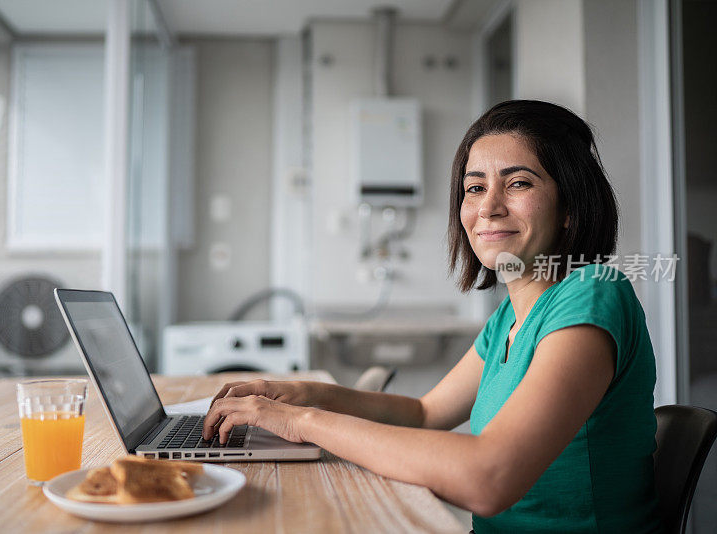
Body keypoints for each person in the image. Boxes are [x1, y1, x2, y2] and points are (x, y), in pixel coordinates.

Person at [202, 100, 661, 533]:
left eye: (518, 183)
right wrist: (301, 394)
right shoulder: (510, 317)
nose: (488, 207)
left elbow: (489, 476)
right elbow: (423, 413)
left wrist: (300, 423)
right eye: (475, 187)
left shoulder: (592, 291)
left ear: (570, 207)